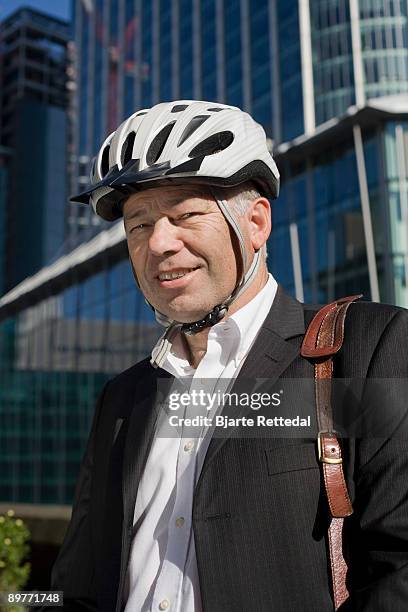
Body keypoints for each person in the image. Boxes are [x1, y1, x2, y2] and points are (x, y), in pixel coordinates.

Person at [46, 101, 408, 611]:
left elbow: (400, 566)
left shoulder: (363, 350)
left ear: (256, 223)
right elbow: (73, 585)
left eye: (185, 214)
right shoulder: (122, 399)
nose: (159, 244)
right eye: (138, 225)